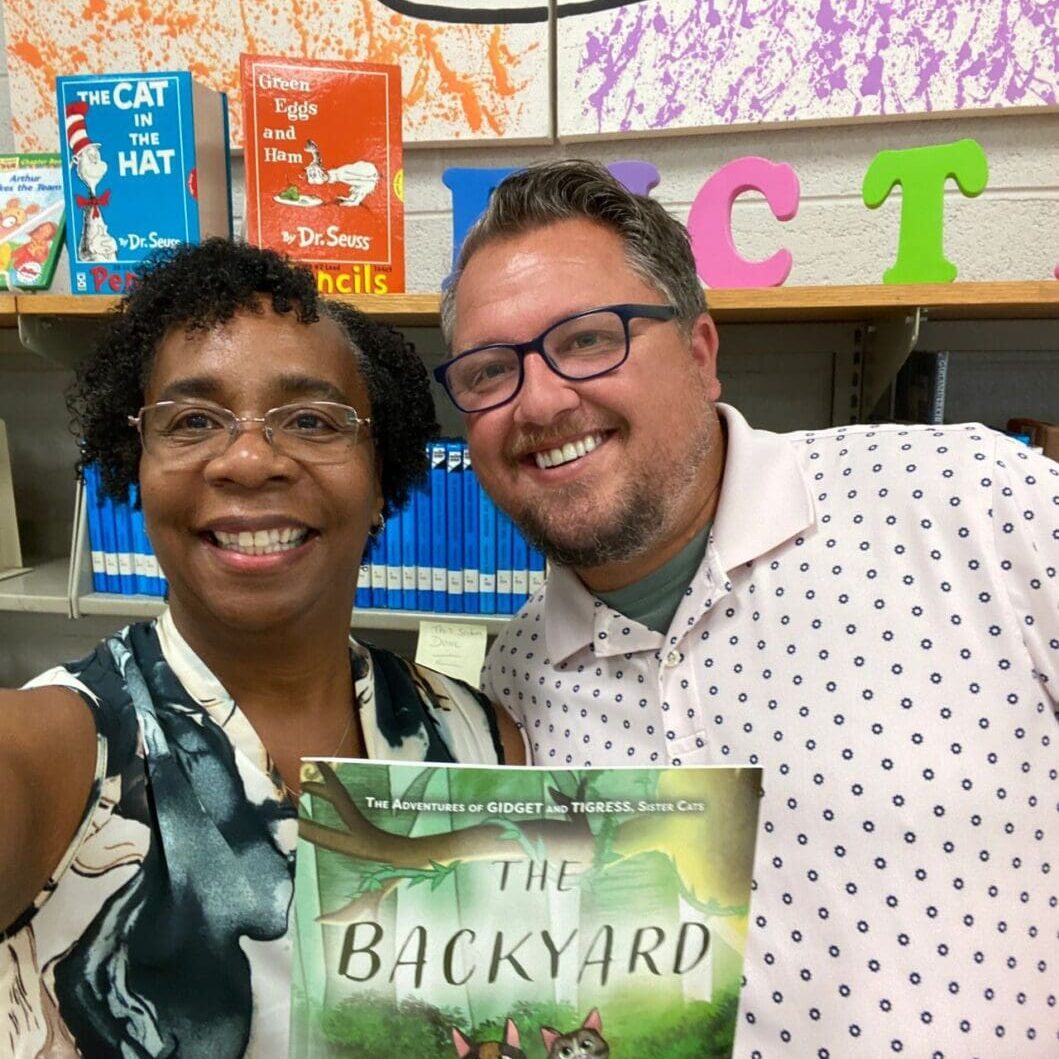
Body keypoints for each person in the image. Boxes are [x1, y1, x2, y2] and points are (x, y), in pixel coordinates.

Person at [435, 160, 1058, 1057]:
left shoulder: (975, 502)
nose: (539, 399)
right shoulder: (516, 676)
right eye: (491, 370)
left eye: (585, 340)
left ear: (699, 351)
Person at [0, 239, 524, 1058]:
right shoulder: (64, 746)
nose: (248, 459)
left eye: (312, 420)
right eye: (193, 420)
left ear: (381, 477)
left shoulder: (482, 740)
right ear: (135, 469)